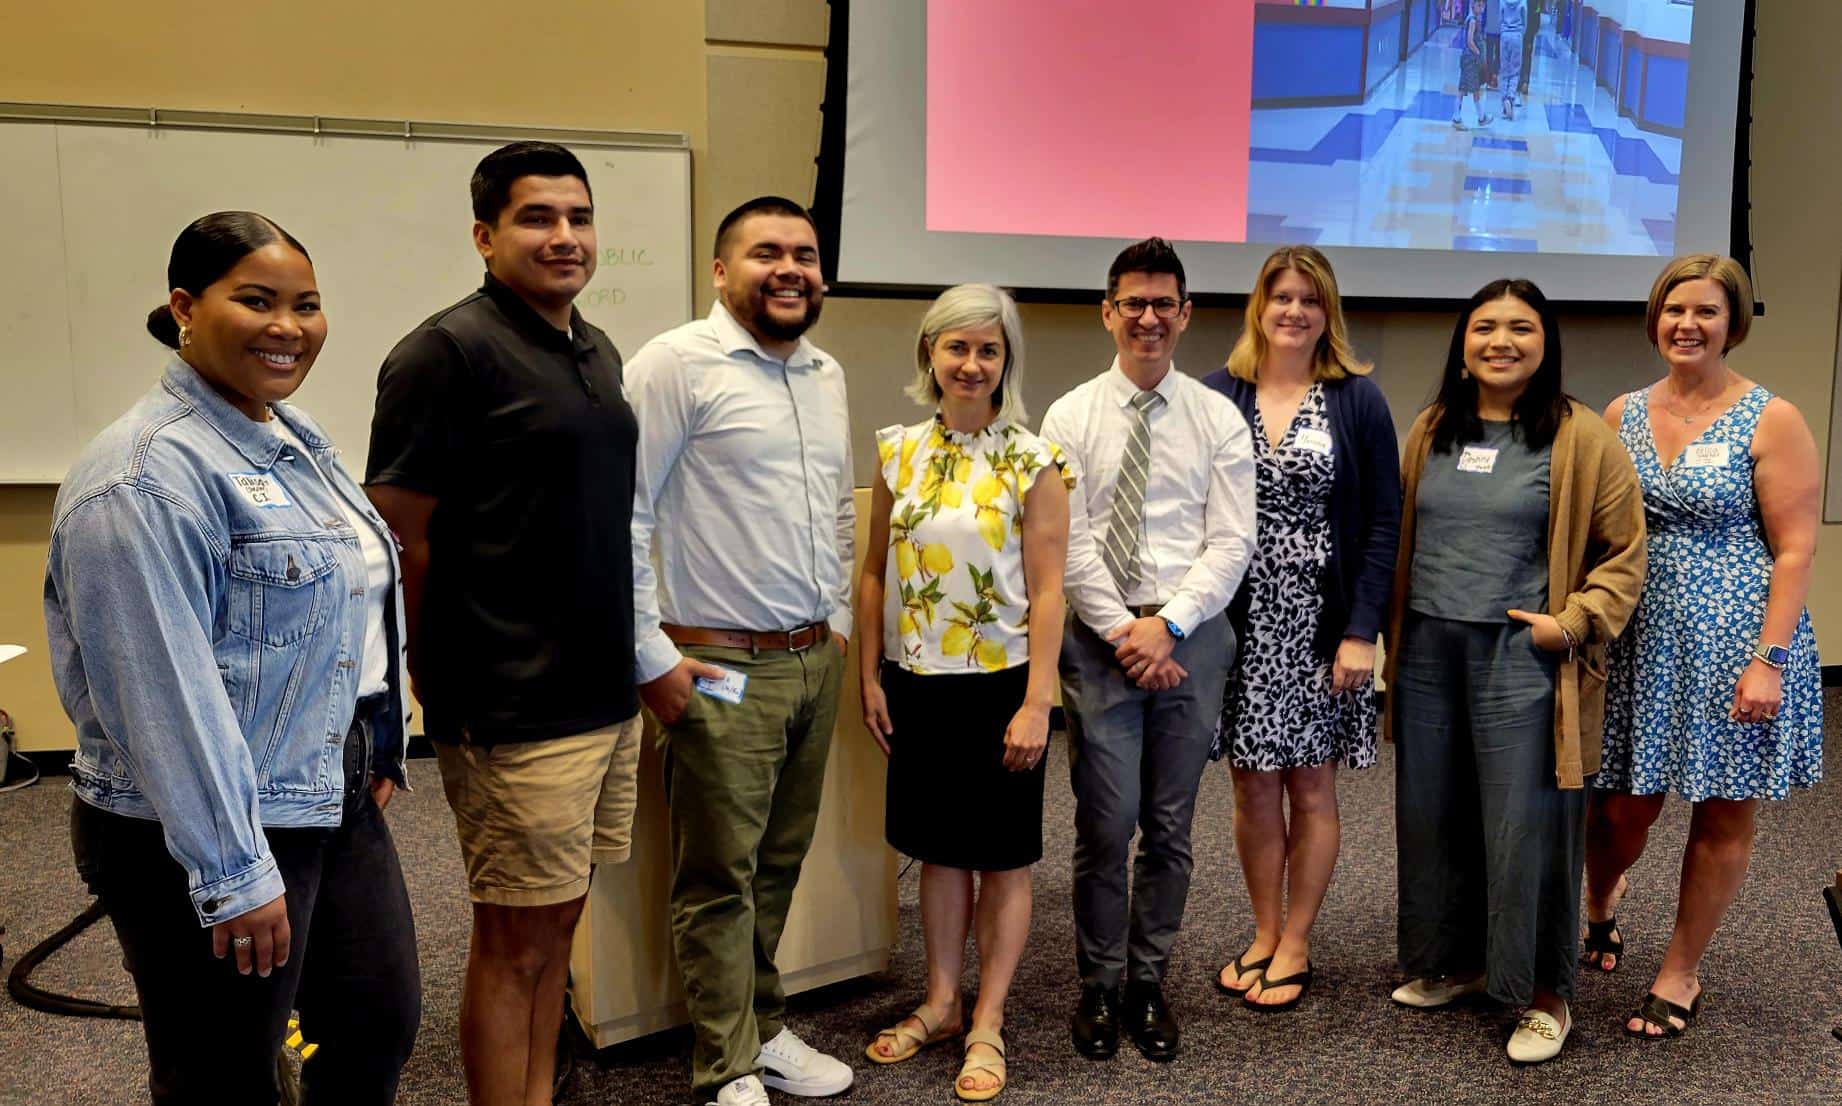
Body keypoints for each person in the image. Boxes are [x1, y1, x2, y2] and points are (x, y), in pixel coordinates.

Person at [48, 211, 419, 1105]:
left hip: (326, 790)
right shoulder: (141, 480)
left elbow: (342, 601)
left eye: (307, 305)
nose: (288, 327)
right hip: (204, 825)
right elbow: (160, 699)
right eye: (256, 301)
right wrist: (231, 871)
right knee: (226, 1076)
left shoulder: (290, 435)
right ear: (185, 306)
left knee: (372, 1031)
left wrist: (374, 734)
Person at [366, 142, 641, 1106]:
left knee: (556, 932)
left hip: (602, 698)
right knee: (513, 944)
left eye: (579, 217)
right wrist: (427, 682)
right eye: (537, 218)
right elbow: (399, 540)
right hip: (512, 705)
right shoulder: (444, 354)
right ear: (485, 237)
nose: (563, 237)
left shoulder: (594, 349)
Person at [626, 196, 856, 1106]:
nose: (790, 269)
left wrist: (834, 622)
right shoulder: (675, 366)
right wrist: (650, 657)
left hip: (809, 660)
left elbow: (837, 508)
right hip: (717, 665)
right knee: (719, 873)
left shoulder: (827, 372)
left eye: (804, 254)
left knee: (778, 862)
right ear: (722, 272)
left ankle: (763, 1029)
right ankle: (725, 1066)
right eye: (767, 253)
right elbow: (625, 515)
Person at [1383, 278, 1645, 1064]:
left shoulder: (1581, 436)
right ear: (1463, 342)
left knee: (1524, 827)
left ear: (1546, 342)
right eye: (1485, 327)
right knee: (1437, 815)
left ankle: (1544, 995)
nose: (1501, 341)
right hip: (1429, 649)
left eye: (1521, 328)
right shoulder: (1433, 425)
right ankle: (1460, 963)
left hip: (1522, 657)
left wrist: (1571, 624)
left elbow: (1624, 555)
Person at [1585, 255, 1824, 1038]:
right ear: (1655, 319)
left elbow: (1793, 550)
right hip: (1641, 640)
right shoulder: (1620, 411)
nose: (1687, 325)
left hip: (1737, 641)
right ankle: (1600, 896)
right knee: (1621, 809)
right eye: (1673, 310)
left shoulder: (1771, 417)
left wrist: (1772, 660)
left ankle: (1681, 969)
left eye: (1706, 312)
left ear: (1733, 323)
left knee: (1721, 813)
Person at [1041, 238, 1256, 1064]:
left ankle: (1147, 980)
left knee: (1170, 826)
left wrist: (1167, 627)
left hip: (1192, 640)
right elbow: (1072, 538)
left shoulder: (1216, 418)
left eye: (1164, 303)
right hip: (1101, 643)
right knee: (1105, 824)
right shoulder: (1069, 416)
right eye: (1133, 302)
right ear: (1108, 312)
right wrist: (1125, 633)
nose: (1149, 317)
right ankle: (1096, 985)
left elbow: (1232, 541)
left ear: (1187, 313)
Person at [857, 284, 1072, 1102]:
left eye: (988, 349)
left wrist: (1038, 703)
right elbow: (876, 571)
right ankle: (941, 1001)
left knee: (1004, 858)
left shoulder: (1034, 459)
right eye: (956, 347)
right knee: (940, 850)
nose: (971, 364)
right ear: (930, 355)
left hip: (1002, 687)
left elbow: (1050, 592)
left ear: (1005, 360)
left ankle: (988, 1020)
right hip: (917, 685)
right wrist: (870, 674)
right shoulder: (897, 451)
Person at [1201, 246, 1401, 1011]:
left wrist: (1362, 632)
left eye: (1309, 300)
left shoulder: (1355, 400)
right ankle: (1261, 931)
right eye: (1281, 296)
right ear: (1260, 305)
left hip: (1322, 624)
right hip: (1240, 622)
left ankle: (1299, 939)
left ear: (1328, 313)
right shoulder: (1219, 394)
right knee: (1252, 787)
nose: (1293, 311)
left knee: (1311, 786)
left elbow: (1382, 522)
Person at [1455, 0, 1494, 131]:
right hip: (1471, 60)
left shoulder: (1473, 19)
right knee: (1474, 88)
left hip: (1467, 59)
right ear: (1473, 5)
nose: (1481, 8)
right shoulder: (1472, 21)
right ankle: (1480, 118)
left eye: (1483, 5)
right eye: (1479, 5)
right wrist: (1478, 54)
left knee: (1463, 88)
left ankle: (1459, 117)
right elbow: (1470, 41)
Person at [1500, 0, 1528, 119]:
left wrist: (1503, 29)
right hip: (1517, 36)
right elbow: (1525, 20)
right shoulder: (1522, 1)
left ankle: (1504, 100)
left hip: (1505, 35)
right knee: (1515, 71)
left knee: (1504, 70)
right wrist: (1521, 32)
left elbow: (1500, 18)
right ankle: (1510, 98)